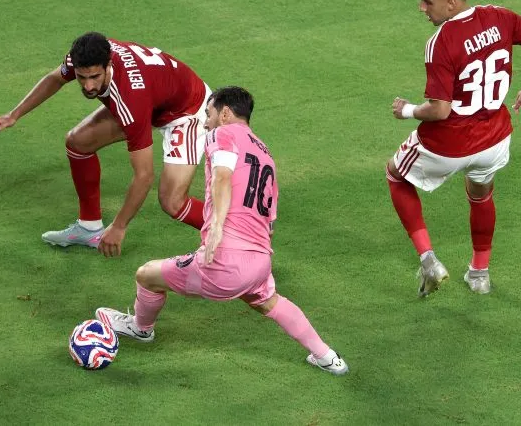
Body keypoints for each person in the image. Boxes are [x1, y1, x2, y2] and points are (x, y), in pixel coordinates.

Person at [95, 86, 348, 375]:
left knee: (146, 275)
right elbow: (271, 218)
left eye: (209, 114)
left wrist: (216, 226)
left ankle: (141, 329)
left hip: (225, 260)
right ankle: (328, 357)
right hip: (260, 259)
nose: (205, 122)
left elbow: (223, 176)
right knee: (269, 303)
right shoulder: (265, 154)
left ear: (225, 113)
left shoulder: (223, 134)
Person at [387, 0, 521, 296]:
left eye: (427, 0)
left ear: (450, 2)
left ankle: (429, 261)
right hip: (495, 137)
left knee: (396, 176)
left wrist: (406, 110)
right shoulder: (501, 17)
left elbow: (440, 109)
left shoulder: (440, 42)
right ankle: (479, 274)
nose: (422, 8)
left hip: (449, 143)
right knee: (481, 194)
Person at [0, 32, 211, 257]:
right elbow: (55, 78)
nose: (89, 86)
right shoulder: (80, 57)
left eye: (95, 77)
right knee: (78, 142)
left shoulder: (130, 99)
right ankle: (89, 228)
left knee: (172, 201)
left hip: (186, 112)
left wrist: (119, 227)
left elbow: (144, 176)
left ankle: (235, 235)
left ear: (109, 64)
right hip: (153, 98)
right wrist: (14, 115)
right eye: (82, 77)